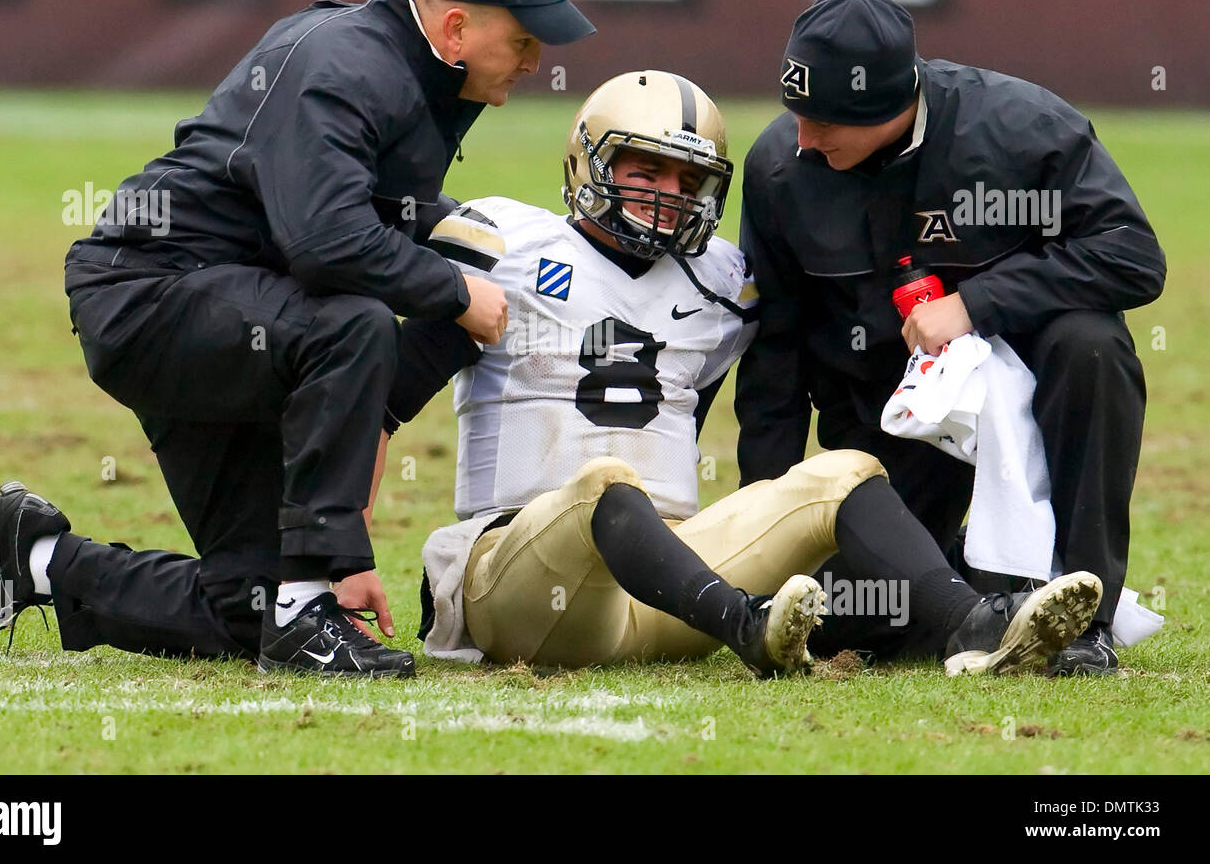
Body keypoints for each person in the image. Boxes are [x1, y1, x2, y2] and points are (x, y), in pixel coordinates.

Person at [0, 0, 595, 678]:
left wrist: (453, 271)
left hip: (230, 312)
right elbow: (326, 242)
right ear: (456, 28)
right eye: (524, 38)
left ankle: (38, 557)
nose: (538, 60)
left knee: (249, 602)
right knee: (355, 323)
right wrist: (450, 290)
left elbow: (350, 263)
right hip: (149, 291)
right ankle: (308, 605)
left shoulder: (406, 68)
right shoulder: (355, 63)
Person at [370, 70, 1101, 678]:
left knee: (843, 469)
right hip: (526, 584)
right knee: (605, 480)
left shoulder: (723, 287)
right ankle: (750, 627)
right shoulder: (509, 246)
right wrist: (341, 555)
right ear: (588, 159)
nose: (668, 194)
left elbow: (770, 392)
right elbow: (382, 403)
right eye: (645, 169)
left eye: (689, 179)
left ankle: (973, 623)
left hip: (671, 594)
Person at [736, 0, 1165, 674]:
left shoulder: (1017, 129)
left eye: (822, 120)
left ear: (890, 104)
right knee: (855, 617)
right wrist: (762, 527)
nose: (801, 137)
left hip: (1029, 400)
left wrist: (977, 303)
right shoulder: (782, 171)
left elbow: (1131, 254)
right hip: (892, 420)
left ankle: (1089, 619)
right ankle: (983, 577)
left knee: (1090, 343)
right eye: (795, 111)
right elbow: (774, 365)